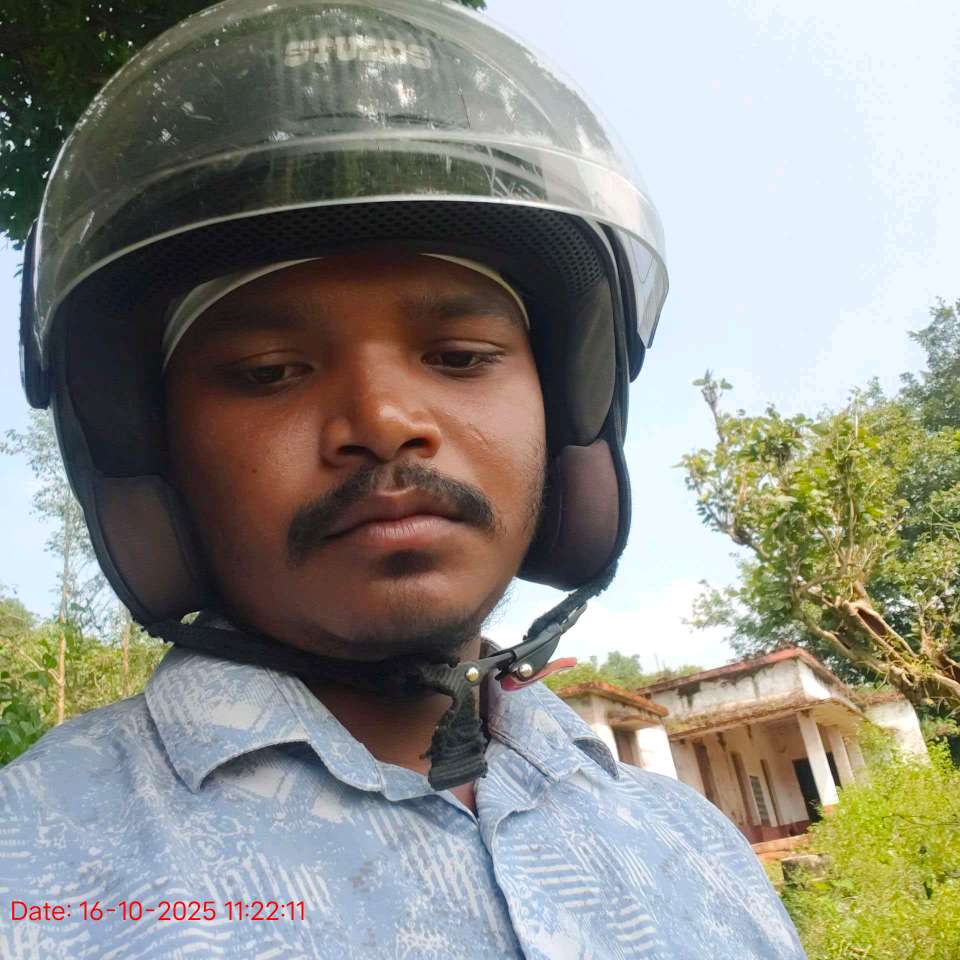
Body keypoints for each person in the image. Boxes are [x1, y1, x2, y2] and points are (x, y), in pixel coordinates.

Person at [1, 1, 806, 957]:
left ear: (568, 417)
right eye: (271, 372)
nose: (384, 421)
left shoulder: (697, 852)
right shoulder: (34, 862)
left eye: (460, 357)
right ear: (153, 457)